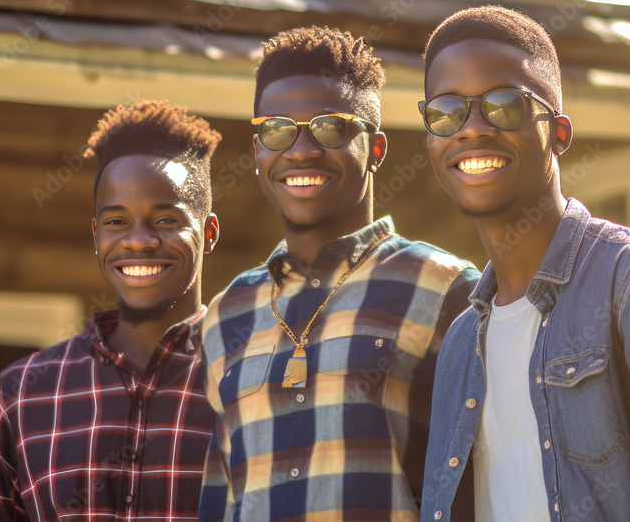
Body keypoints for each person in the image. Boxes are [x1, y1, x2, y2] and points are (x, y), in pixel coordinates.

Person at [418, 6, 630, 521]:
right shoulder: (460, 344)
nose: (472, 128)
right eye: (446, 111)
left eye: (504, 104)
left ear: (559, 133)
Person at [198, 26, 481, 521]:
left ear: (375, 149)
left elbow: (480, 479)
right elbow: (220, 497)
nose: (301, 149)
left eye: (329, 127)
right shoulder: (226, 315)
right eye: (277, 130)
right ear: (259, 150)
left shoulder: (447, 289)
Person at [0, 100, 222, 520]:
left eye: (166, 220)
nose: (138, 240)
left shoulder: (252, 379)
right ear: (96, 235)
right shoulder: (25, 393)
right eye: (116, 222)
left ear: (208, 232)